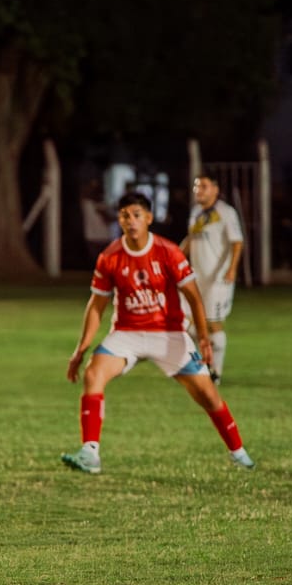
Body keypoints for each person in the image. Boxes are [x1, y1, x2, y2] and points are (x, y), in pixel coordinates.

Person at [62, 192, 255, 475]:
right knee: (94, 373)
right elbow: (96, 306)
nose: (130, 221)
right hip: (127, 333)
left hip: (168, 334)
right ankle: (90, 452)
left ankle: (238, 452)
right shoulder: (110, 257)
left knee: (207, 395)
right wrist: (81, 349)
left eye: (136, 215)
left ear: (149, 219)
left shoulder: (167, 252)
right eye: (125, 215)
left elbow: (193, 296)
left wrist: (202, 337)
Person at [181, 174, 244, 384]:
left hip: (218, 277)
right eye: (196, 186)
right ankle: (197, 365)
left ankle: (215, 371)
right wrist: (175, 259)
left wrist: (232, 269)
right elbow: (191, 238)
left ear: (215, 190)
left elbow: (237, 242)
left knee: (213, 323)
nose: (199, 190)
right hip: (195, 276)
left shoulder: (226, 212)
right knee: (184, 323)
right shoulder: (196, 212)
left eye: (204, 186)